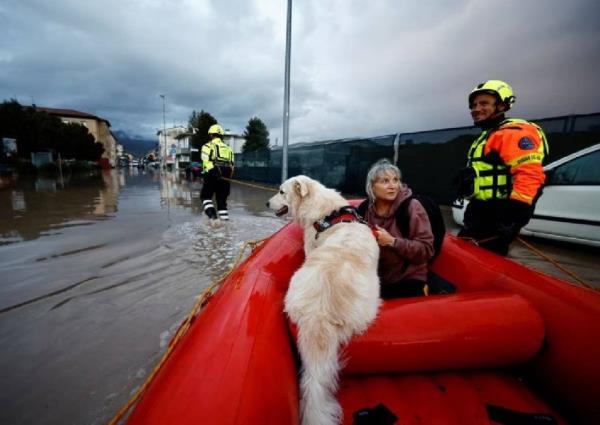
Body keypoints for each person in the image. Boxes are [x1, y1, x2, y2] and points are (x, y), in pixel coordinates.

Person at [456, 80, 549, 256]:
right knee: (466, 252)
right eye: (474, 105)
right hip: (480, 211)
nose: (476, 109)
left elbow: (530, 175)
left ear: (502, 106)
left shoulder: (512, 133)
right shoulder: (490, 134)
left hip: (496, 216)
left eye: (484, 103)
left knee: (481, 259)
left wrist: (510, 217)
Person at [362, 159, 434, 298]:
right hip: (376, 278)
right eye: (385, 181)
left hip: (409, 278)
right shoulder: (364, 210)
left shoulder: (411, 207)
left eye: (395, 180)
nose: (392, 186)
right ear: (372, 186)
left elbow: (426, 250)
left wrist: (392, 242)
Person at [200, 124, 235, 222]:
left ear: (211, 135)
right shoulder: (229, 149)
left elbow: (206, 161)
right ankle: (225, 225)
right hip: (226, 177)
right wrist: (228, 177)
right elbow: (232, 165)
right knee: (222, 203)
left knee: (205, 196)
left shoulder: (207, 146)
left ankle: (213, 219)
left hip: (213, 174)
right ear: (221, 135)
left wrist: (213, 171)